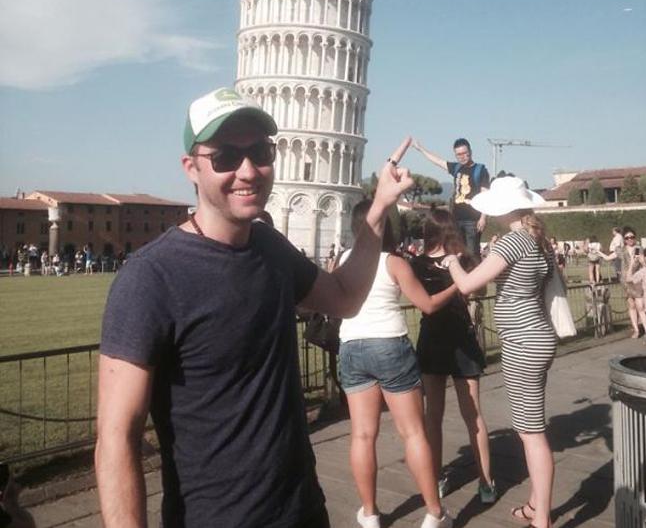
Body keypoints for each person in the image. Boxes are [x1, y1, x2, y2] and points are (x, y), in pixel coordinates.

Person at [95, 86, 414, 528]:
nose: (248, 171)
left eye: (260, 152)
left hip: (303, 509)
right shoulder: (151, 278)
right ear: (191, 168)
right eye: (225, 157)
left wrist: (377, 210)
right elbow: (116, 439)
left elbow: (344, 296)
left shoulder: (269, 247)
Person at [442, 176, 556, 528]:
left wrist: (451, 262)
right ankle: (536, 505)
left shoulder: (512, 242)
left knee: (532, 435)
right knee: (531, 428)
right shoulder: (538, 239)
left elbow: (467, 285)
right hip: (538, 335)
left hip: (522, 340)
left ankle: (542, 519)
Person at [338, 202, 456, 528]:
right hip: (389, 343)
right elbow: (427, 305)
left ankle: (370, 513)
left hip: (352, 344)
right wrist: (457, 285)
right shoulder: (393, 262)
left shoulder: (343, 260)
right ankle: (434, 513)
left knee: (363, 435)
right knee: (413, 432)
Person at [410, 210, 496, 505]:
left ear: (427, 232)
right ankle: (486, 482)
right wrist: (460, 273)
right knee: (472, 415)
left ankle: (438, 478)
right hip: (459, 338)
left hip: (435, 338)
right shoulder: (459, 258)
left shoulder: (417, 263)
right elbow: (479, 289)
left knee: (434, 416)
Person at [412, 139, 489, 258]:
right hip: (456, 218)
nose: (462, 157)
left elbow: (485, 195)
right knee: (456, 251)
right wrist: (421, 149)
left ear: (470, 152)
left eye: (465, 153)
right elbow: (438, 161)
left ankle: (475, 270)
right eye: (459, 154)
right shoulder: (456, 168)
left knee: (472, 253)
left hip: (473, 220)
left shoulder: (481, 170)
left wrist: (483, 217)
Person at [600, 227, 646, 339]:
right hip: (626, 281)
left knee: (640, 306)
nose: (630, 239)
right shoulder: (621, 250)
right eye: (627, 238)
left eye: (632, 237)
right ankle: (636, 330)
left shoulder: (639, 249)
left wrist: (641, 261)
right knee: (631, 305)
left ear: (635, 237)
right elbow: (608, 258)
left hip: (637, 280)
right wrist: (598, 252)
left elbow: (644, 263)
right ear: (624, 239)